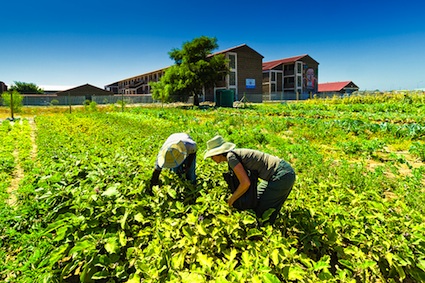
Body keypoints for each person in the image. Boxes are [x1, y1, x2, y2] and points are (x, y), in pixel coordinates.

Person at [204, 135, 295, 224]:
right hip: (277, 174)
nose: (211, 158)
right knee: (257, 199)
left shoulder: (231, 158)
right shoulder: (232, 156)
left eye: (212, 156)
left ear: (218, 153)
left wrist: (231, 200)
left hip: (281, 174)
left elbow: (245, 183)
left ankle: (264, 230)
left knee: (263, 210)